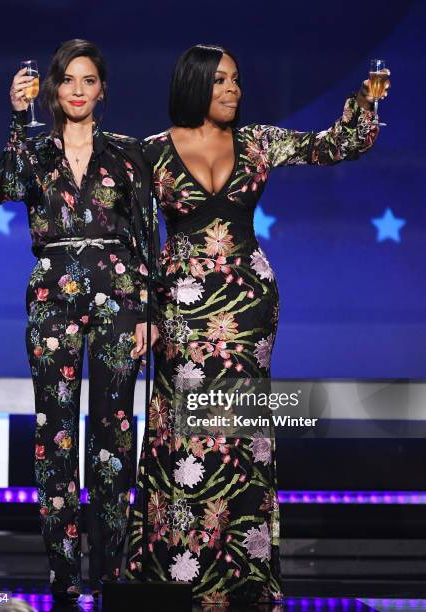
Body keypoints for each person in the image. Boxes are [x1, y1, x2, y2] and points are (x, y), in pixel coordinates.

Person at [126, 44, 390, 606]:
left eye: (237, 80)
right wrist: (140, 309)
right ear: (195, 83)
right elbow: (134, 240)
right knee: (183, 430)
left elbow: (333, 146)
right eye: (220, 80)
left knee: (241, 434)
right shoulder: (150, 152)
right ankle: (177, 570)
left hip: (249, 308)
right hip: (180, 308)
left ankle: (242, 573)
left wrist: (364, 105)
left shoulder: (258, 142)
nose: (232, 89)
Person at [0, 39, 160, 604]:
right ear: (53, 89)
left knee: (114, 435)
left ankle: (110, 570)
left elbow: (147, 237)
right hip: (52, 298)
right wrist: (16, 119)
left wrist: (149, 309)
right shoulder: (34, 150)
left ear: (102, 88)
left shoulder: (129, 153)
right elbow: (2, 189)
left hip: (119, 299)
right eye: (68, 80)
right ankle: (64, 577)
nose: (78, 90)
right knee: (54, 436)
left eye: (88, 80)